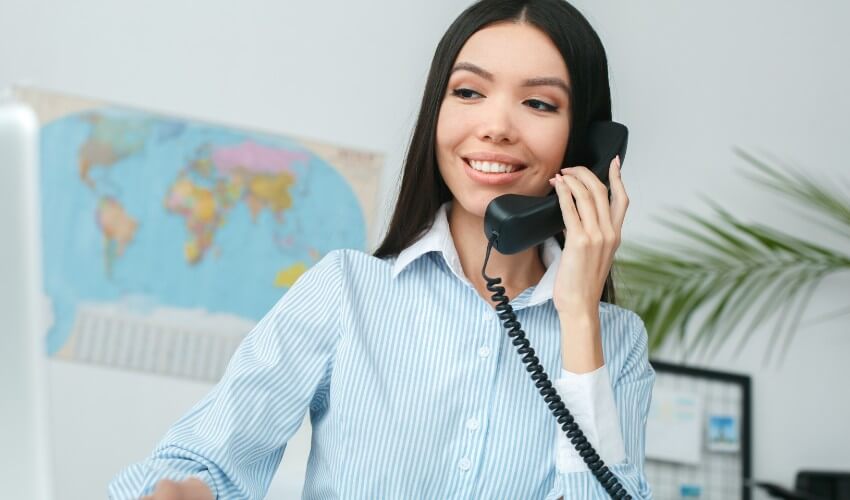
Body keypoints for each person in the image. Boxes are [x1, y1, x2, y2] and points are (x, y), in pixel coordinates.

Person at [109, 0, 655, 498]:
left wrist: (580, 317)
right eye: (468, 92)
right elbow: (205, 461)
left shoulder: (615, 343)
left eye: (538, 102)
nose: (495, 127)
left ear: (585, 144)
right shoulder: (345, 291)